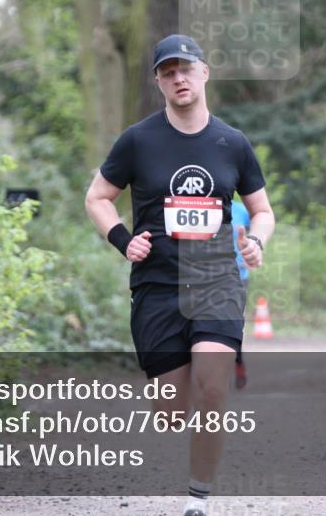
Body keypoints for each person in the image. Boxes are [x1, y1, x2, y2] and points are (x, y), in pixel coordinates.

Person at [85, 34, 275, 516]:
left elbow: (263, 211)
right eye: (168, 72)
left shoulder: (232, 143)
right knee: (171, 412)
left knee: (213, 387)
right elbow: (97, 197)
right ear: (158, 82)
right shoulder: (137, 140)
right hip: (156, 285)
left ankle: (198, 499)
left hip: (215, 281)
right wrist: (123, 239)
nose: (179, 77)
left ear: (204, 72)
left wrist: (255, 241)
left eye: (186, 68)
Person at [230, 199, 251, 388]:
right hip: (202, 275)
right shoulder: (198, 204)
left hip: (239, 275)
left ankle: (238, 365)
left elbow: (253, 236)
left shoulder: (241, 210)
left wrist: (252, 249)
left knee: (233, 324)